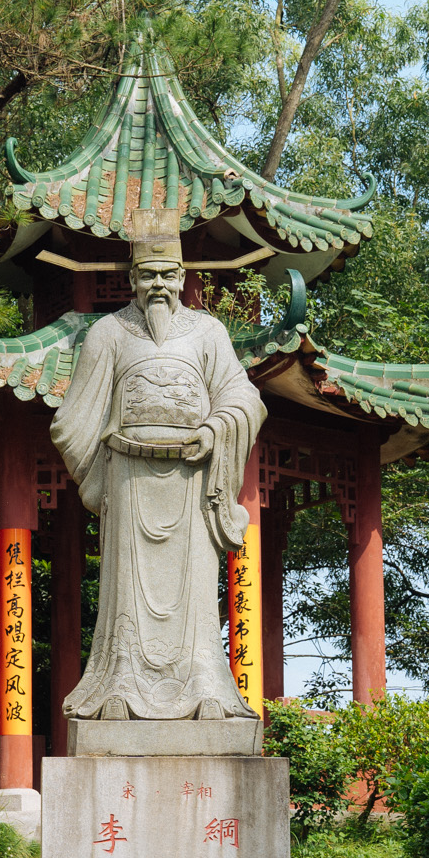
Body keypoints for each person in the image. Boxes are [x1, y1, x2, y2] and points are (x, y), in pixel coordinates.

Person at [49, 219, 266, 721]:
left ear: (184, 275)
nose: (159, 286)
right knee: (127, 595)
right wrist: (100, 475)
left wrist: (214, 432)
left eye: (168, 275)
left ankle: (203, 689)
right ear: (132, 281)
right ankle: (118, 690)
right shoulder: (107, 333)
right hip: (128, 481)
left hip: (193, 484)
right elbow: (72, 420)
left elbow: (244, 399)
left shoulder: (209, 332)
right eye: (148, 276)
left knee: (193, 597)